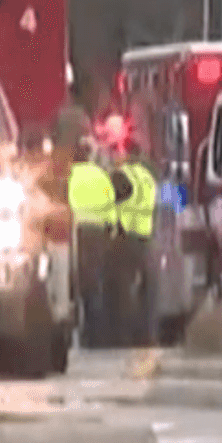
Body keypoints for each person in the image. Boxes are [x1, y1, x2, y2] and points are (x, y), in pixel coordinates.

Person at [103, 126, 158, 345]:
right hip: (145, 239)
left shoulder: (124, 176)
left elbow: (110, 198)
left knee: (122, 290)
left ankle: (122, 337)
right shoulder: (148, 177)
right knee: (146, 291)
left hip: (125, 239)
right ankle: (147, 335)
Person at [68, 141, 121, 348]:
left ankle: (79, 329)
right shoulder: (100, 176)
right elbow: (110, 204)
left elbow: (65, 202)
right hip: (98, 233)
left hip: (77, 232)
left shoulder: (71, 175)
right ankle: (95, 334)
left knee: (77, 281)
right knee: (95, 281)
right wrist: (113, 228)